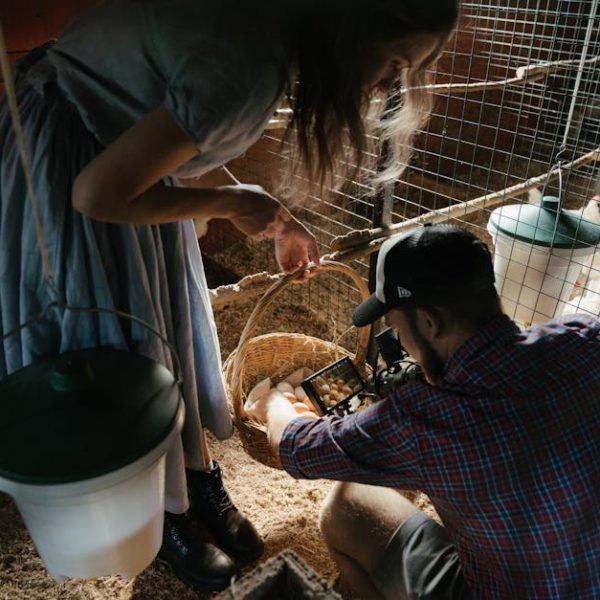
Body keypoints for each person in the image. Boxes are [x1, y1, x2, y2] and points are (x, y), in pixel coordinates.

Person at [0, 0, 458, 592]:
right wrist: (234, 202)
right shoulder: (249, 61)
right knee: (127, 346)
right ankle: (161, 510)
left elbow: (170, 131)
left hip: (115, 156)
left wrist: (267, 212)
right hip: (78, 164)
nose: (392, 84)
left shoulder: (265, 31)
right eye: (396, 63)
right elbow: (97, 193)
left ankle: (192, 475)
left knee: (169, 323)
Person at [258, 224, 600, 599]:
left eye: (397, 328)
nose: (402, 343)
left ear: (428, 322)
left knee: (345, 506)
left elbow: (293, 446)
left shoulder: (426, 418)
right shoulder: (584, 337)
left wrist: (274, 403)